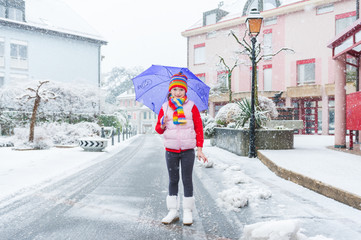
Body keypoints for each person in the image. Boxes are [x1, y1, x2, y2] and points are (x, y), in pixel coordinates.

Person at [155, 71, 208, 226]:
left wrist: (199, 149)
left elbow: (199, 128)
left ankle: (188, 211)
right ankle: (173, 211)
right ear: (170, 91)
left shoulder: (192, 107)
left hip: (187, 151)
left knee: (187, 180)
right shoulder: (164, 107)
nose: (178, 92)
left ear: (185, 91)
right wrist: (162, 124)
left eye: (181, 89)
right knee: (173, 180)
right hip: (170, 150)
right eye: (175, 89)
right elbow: (158, 129)